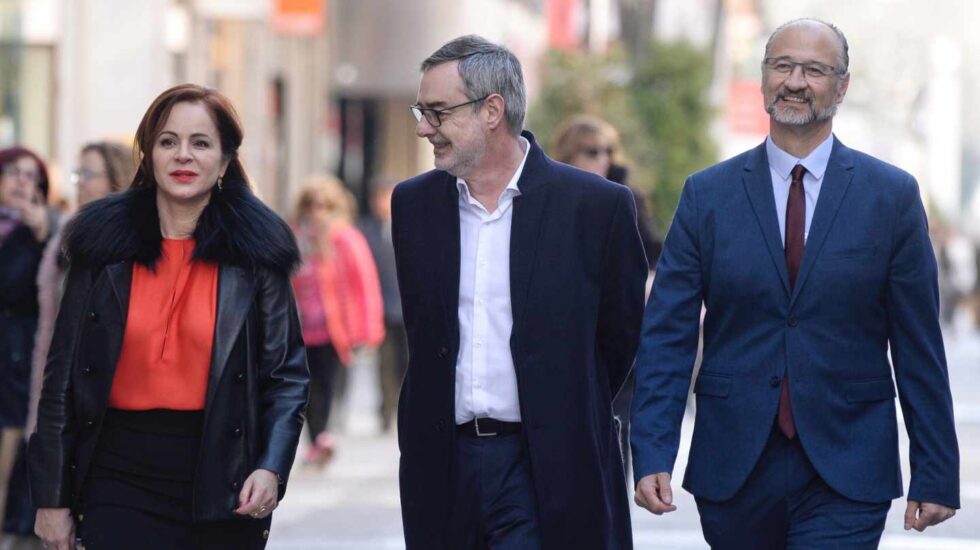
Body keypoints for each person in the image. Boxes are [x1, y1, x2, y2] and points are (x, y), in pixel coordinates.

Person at [630, 18, 959, 548]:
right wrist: (651, 451)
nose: (795, 81)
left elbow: (919, 344)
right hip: (734, 464)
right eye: (782, 65)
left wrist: (936, 469)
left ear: (842, 86)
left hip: (848, 464)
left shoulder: (891, 197)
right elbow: (666, 336)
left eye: (814, 69)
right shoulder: (706, 196)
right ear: (763, 78)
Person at [29, 83, 309, 550]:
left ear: (223, 161)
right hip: (114, 475)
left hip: (225, 479)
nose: (183, 155)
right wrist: (51, 497)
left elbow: (286, 377)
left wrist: (271, 466)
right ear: (149, 154)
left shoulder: (257, 253)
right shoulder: (101, 247)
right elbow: (61, 380)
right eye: (167, 141)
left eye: (200, 143)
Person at [393, 35, 647, 549]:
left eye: (437, 112)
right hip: (445, 465)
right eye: (422, 110)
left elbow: (619, 339)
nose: (423, 128)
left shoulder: (596, 207)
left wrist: (563, 399)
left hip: (548, 466)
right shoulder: (413, 205)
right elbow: (425, 336)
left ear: (492, 110)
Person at [27, 141, 137, 439]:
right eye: (78, 175)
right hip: (54, 382)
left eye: (87, 175)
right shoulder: (68, 232)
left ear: (116, 178)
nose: (79, 184)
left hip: (97, 399)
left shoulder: (128, 242)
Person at [291, 174, 384, 464]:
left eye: (323, 205)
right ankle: (318, 438)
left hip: (335, 330)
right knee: (302, 388)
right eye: (311, 205)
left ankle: (322, 437)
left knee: (328, 385)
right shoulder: (296, 238)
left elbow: (364, 285)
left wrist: (368, 330)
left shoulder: (346, 240)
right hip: (299, 330)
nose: (317, 211)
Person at [0, 146, 50, 543]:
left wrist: (40, 238)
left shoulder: (44, 235)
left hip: (15, 367)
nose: (21, 181)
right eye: (14, 172)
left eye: (31, 176)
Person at [551, 114, 662, 268]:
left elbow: (652, 254)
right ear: (569, 155)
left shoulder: (628, 198)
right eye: (593, 152)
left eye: (608, 151)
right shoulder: (551, 197)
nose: (603, 159)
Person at [359, 179, 406, 433]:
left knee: (407, 361)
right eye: (379, 198)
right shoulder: (365, 230)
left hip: (407, 308)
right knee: (384, 364)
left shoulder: (408, 226)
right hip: (381, 308)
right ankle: (386, 411)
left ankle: (404, 408)